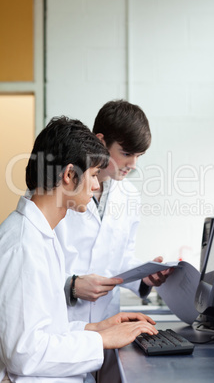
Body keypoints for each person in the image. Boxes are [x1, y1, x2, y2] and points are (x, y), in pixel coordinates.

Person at [0, 116, 158, 383]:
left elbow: (48, 329)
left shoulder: (40, 236)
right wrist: (100, 339)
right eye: (94, 175)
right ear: (70, 175)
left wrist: (97, 327)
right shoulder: (23, 246)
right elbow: (24, 353)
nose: (97, 185)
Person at [55, 101, 173, 382]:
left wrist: (145, 277)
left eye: (139, 156)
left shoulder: (129, 196)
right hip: (65, 325)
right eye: (127, 153)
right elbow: (37, 261)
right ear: (101, 142)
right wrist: (71, 285)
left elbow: (120, 259)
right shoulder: (61, 188)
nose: (133, 164)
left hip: (107, 325)